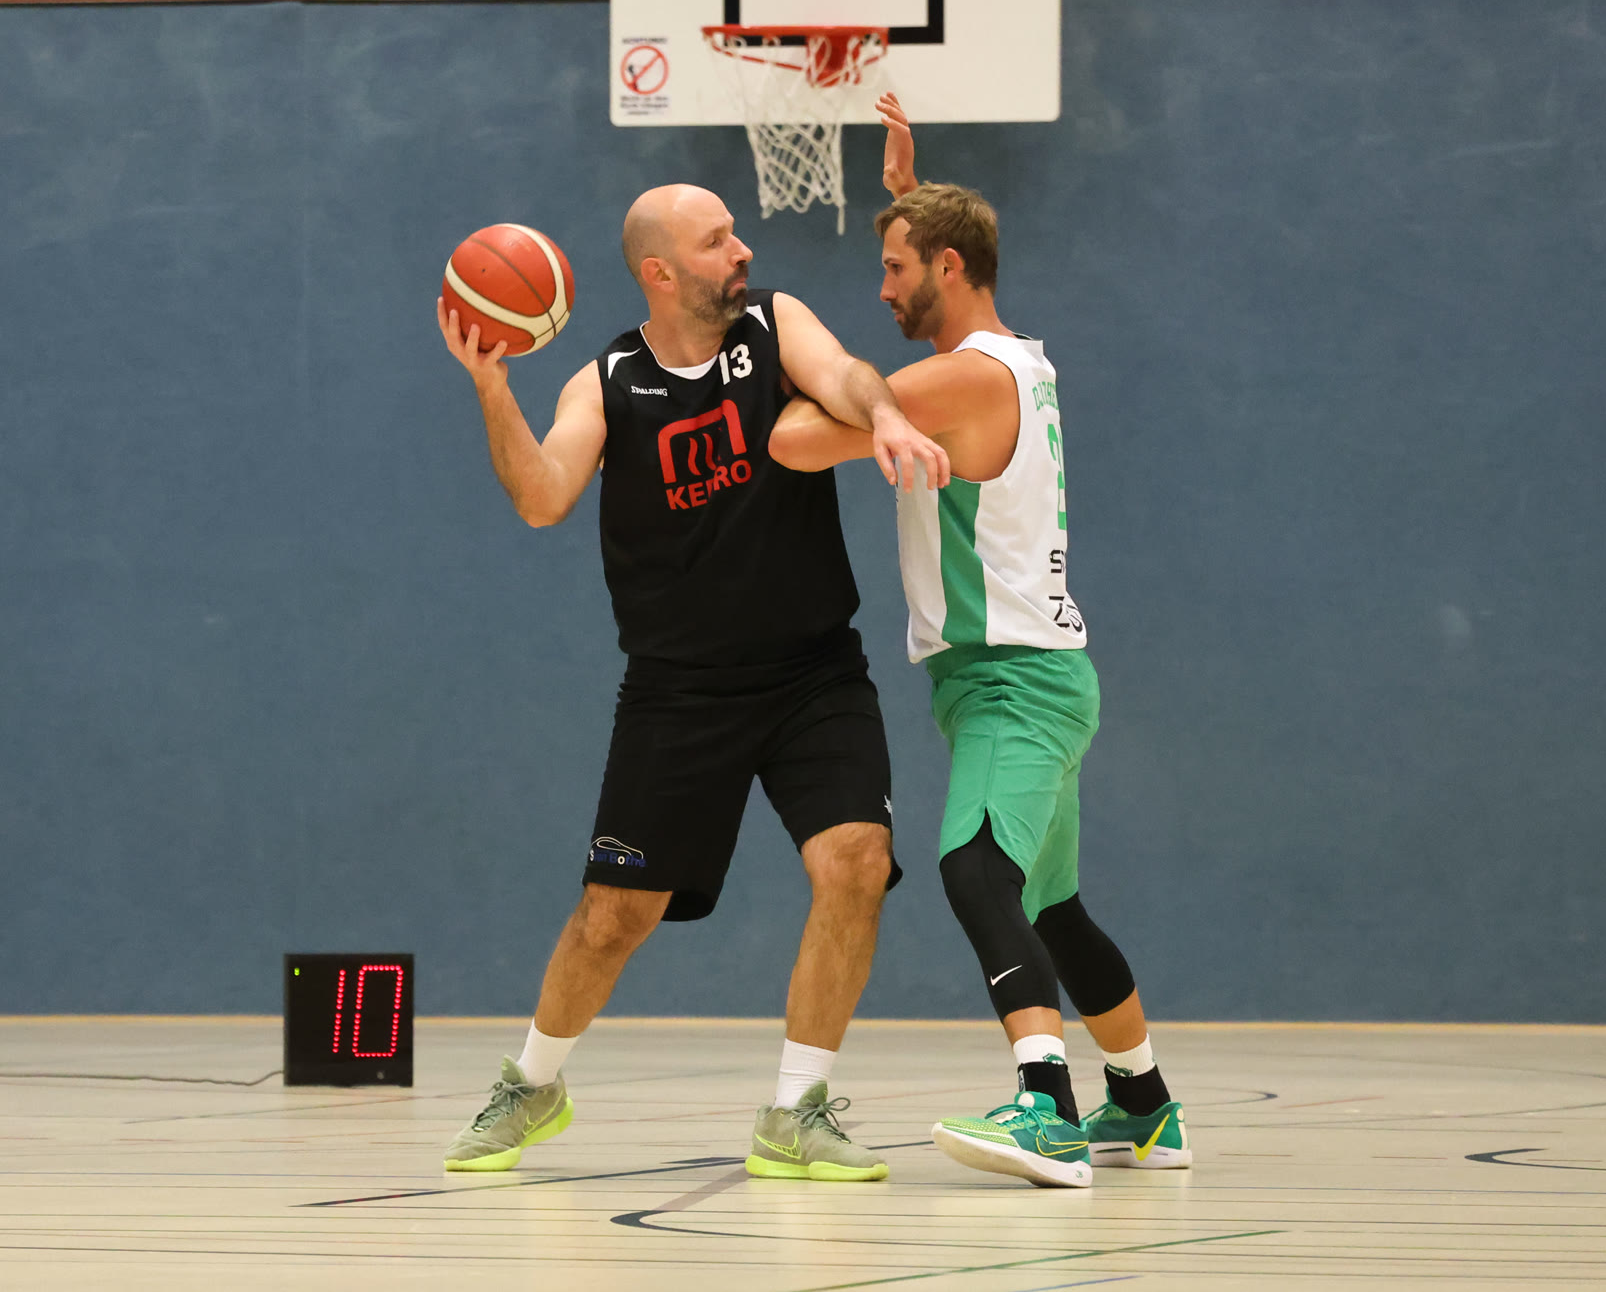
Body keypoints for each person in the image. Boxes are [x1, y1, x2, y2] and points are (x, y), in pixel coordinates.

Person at [435, 183, 949, 1179]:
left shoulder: (775, 324)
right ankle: (532, 1084)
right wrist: (492, 386)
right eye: (718, 241)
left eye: (735, 234)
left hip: (812, 672)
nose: (741, 250)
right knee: (613, 916)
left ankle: (794, 1110)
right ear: (660, 272)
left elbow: (843, 375)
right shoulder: (605, 383)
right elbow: (540, 497)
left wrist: (883, 415)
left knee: (855, 861)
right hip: (678, 690)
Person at [767, 99, 1191, 1188]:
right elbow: (940, 274)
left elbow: (796, 441)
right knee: (1052, 906)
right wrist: (909, 195)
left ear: (948, 268)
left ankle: (1045, 1107)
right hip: (1029, 675)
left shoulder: (961, 378)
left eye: (895, 266)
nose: (881, 288)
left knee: (972, 868)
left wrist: (798, 364)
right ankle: (1144, 1103)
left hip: (1012, 681)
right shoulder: (1017, 360)